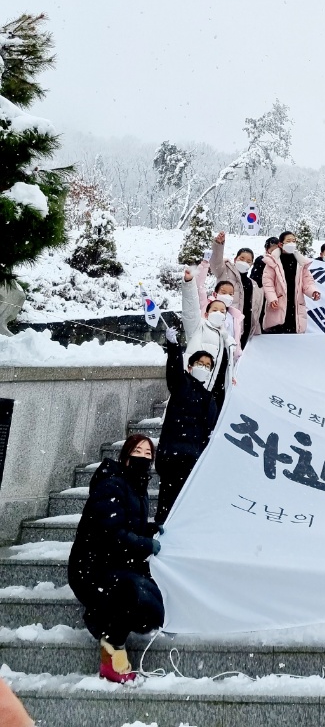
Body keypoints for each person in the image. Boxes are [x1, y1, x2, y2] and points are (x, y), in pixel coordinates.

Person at [68, 434, 164, 683]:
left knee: (153, 603)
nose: (143, 457)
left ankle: (105, 619)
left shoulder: (136, 486)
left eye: (148, 454)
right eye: (137, 452)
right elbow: (111, 533)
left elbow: (127, 525)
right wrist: (145, 544)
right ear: (126, 455)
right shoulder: (112, 484)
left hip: (116, 564)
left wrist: (150, 530)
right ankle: (111, 652)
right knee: (136, 594)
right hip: (92, 569)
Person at [155, 330, 218, 523]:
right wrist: (174, 346)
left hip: (193, 458)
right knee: (167, 504)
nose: (203, 367)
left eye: (207, 366)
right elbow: (174, 369)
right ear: (190, 367)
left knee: (184, 508)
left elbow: (210, 429)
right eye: (200, 363)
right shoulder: (182, 384)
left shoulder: (209, 398)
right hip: (173, 456)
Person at [181, 268, 238, 411]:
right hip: (194, 390)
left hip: (216, 395)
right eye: (215, 310)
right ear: (206, 314)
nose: (219, 313)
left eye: (222, 311)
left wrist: (230, 377)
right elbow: (190, 310)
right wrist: (189, 283)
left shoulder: (227, 340)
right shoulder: (198, 327)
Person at [209, 230, 263, 349]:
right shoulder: (224, 271)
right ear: (235, 259)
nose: (245, 262)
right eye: (242, 258)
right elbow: (215, 262)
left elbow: (255, 310)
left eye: (248, 261)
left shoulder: (252, 284)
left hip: (244, 329)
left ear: (251, 264)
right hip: (225, 326)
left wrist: (255, 328)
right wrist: (218, 245)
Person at [260, 230, 321, 334]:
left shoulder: (301, 262)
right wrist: (272, 298)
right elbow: (267, 283)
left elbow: (308, 281)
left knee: (294, 330)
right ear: (281, 244)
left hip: (295, 303)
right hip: (278, 303)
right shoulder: (273, 261)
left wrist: (313, 291)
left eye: (294, 241)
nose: (292, 243)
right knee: (277, 331)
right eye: (288, 241)